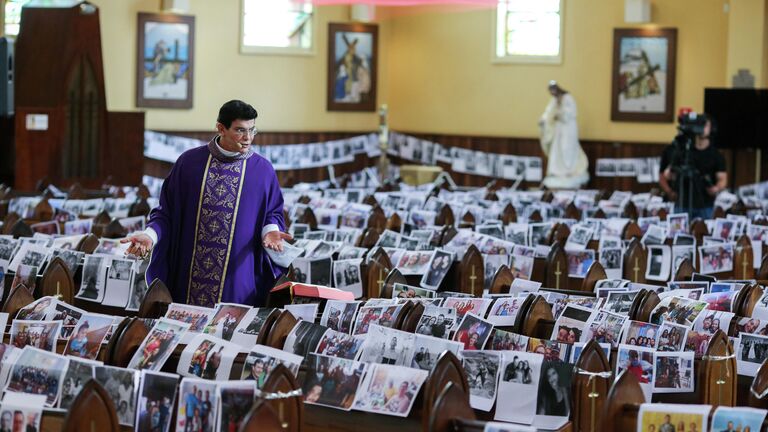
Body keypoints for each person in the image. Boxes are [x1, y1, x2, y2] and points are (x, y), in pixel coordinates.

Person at [122, 100, 292, 307]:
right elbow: (166, 212)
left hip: (238, 276)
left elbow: (272, 212)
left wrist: (270, 230)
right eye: (240, 130)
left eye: (252, 130)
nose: (248, 138)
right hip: (189, 275)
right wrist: (150, 235)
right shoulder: (189, 163)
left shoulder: (262, 170)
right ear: (221, 128)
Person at [659, 113, 727, 220]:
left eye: (705, 125)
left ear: (711, 128)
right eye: (700, 125)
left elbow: (722, 179)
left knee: (702, 233)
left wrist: (716, 188)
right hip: (682, 203)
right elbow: (667, 174)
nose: (702, 128)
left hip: (705, 204)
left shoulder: (716, 155)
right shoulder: (683, 151)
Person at [538, 81, 589, 189]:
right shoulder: (554, 100)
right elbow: (548, 111)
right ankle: (558, 171)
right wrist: (543, 119)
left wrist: (560, 113)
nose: (553, 93)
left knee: (567, 148)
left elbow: (571, 112)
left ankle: (569, 170)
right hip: (559, 129)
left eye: (554, 90)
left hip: (568, 128)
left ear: (558, 89)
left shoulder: (568, 98)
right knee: (557, 150)